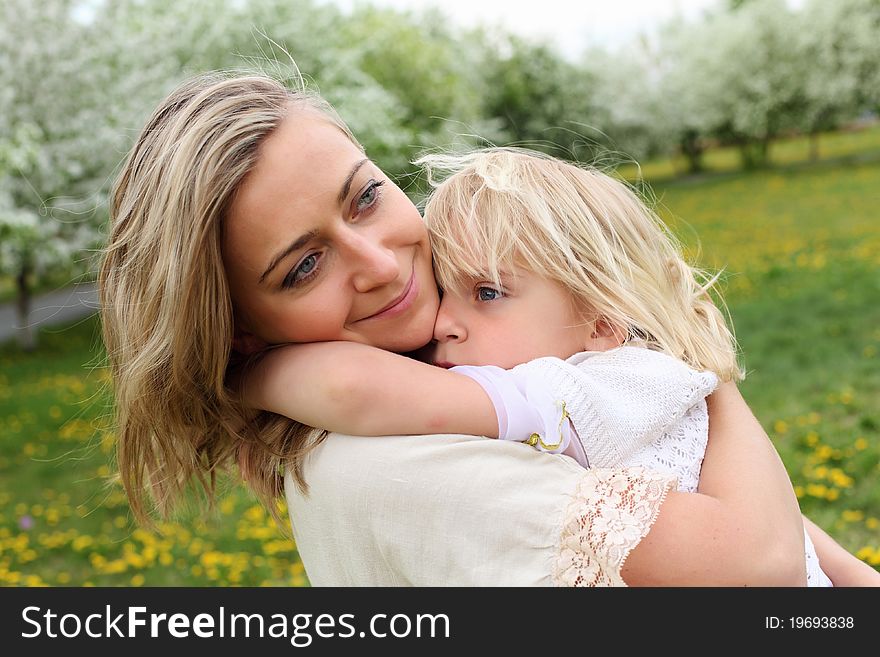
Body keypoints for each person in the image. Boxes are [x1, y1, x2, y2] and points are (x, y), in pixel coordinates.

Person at [98, 70, 879, 587]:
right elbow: (762, 560)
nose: (379, 262)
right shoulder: (399, 457)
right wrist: (700, 368)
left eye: (366, 196)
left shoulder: (442, 376)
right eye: (303, 267)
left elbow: (713, 493)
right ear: (238, 332)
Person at [238, 147, 830, 585]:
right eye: (303, 267)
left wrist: (241, 378)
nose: (443, 319)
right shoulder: (644, 381)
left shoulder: (578, 390)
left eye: (488, 293)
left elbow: (348, 389)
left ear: (601, 324)